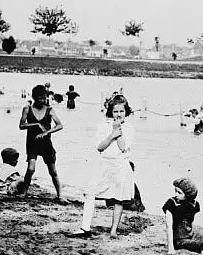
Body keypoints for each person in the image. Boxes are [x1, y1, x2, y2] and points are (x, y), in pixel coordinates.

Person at [73, 96, 137, 238]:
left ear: (126, 112)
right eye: (115, 111)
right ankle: (85, 228)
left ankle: (113, 230)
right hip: (106, 165)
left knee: (118, 199)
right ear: (110, 112)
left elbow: (123, 147)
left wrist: (118, 131)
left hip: (121, 166)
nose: (119, 114)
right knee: (90, 191)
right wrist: (112, 133)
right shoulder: (103, 125)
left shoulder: (129, 128)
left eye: (122, 111)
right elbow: (100, 147)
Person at [19, 85, 64, 200]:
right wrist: (37, 124)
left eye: (44, 98)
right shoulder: (27, 109)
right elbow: (22, 125)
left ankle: (60, 195)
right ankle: (24, 192)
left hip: (46, 144)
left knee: (53, 171)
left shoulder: (49, 109)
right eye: (39, 98)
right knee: (30, 169)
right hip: (32, 143)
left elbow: (59, 125)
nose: (42, 101)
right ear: (34, 97)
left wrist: (46, 132)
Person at [164, 177, 203, 253]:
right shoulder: (171, 204)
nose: (176, 194)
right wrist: (171, 249)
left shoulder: (194, 204)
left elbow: (190, 223)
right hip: (179, 240)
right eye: (175, 191)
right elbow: (168, 226)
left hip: (191, 235)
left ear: (188, 195)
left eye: (179, 192)